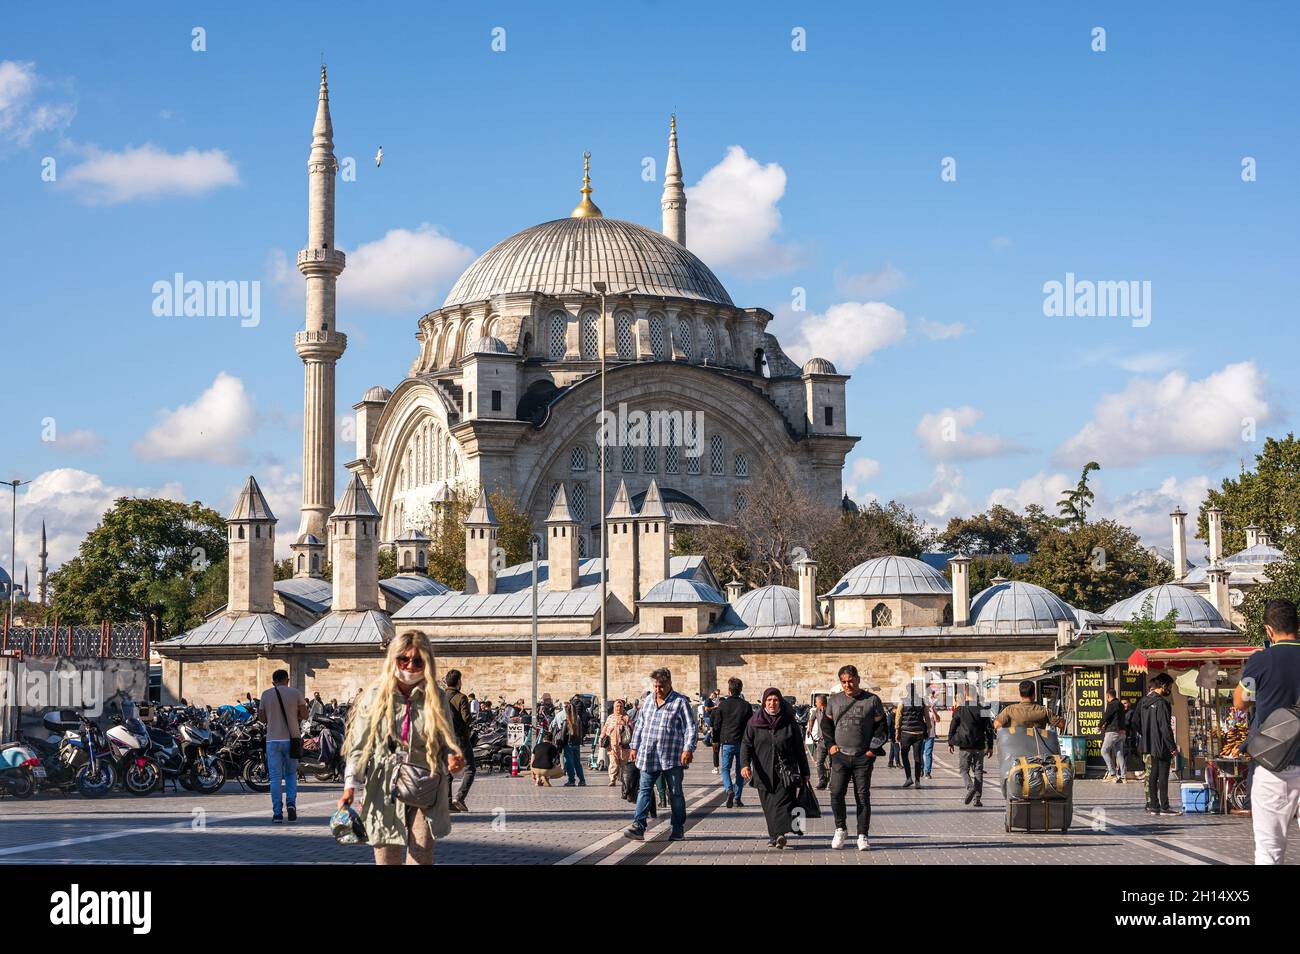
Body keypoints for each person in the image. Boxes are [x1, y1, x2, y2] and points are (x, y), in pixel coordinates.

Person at [338, 632, 465, 865]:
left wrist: (453, 760)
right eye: (403, 659)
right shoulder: (376, 695)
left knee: (422, 853)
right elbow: (359, 745)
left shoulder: (435, 696)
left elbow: (447, 741)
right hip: (383, 785)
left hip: (425, 782)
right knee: (386, 857)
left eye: (418, 661)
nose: (410, 665)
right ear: (393, 659)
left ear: (427, 662)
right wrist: (350, 786)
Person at [1236, 599, 1300, 864]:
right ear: (1298, 626)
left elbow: (1241, 700)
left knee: (1269, 850)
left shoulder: (1261, 660)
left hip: (1272, 764)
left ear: (1268, 631)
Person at [624, 668, 697, 842]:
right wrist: (634, 747)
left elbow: (690, 727)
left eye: (661, 686)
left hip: (672, 756)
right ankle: (638, 826)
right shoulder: (648, 700)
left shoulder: (680, 702)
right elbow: (640, 725)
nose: (658, 690)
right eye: (656, 686)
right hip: (649, 755)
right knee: (644, 790)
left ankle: (678, 828)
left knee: (675, 793)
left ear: (670, 683)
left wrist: (688, 749)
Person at [825, 664, 887, 851]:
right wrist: (831, 746)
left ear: (858, 679)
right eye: (844, 682)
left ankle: (863, 835)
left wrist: (872, 750)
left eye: (851, 681)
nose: (847, 685)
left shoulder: (872, 700)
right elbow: (826, 726)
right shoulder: (834, 701)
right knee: (836, 793)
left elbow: (882, 728)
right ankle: (840, 828)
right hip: (840, 756)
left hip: (862, 757)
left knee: (862, 796)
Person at [741, 688, 811, 849]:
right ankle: (774, 836)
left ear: (780, 702)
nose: (772, 703)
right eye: (769, 700)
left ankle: (780, 834)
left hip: (786, 771)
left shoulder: (789, 722)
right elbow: (746, 744)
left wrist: (805, 771)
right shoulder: (754, 722)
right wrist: (745, 764)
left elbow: (799, 749)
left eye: (775, 700)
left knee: (783, 802)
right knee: (768, 806)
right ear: (764, 702)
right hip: (763, 772)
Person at [257, 670, 309, 823]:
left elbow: (262, 718)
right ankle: (291, 803)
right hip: (292, 738)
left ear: (274, 681)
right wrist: (295, 716)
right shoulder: (296, 693)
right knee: (291, 774)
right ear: (287, 679)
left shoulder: (266, 694)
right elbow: (305, 715)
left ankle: (277, 813)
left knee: (275, 778)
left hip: (272, 740)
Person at [1137, 672, 1180, 816]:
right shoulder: (1162, 703)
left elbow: (1135, 722)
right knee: (1162, 776)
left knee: (1152, 775)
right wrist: (1172, 747)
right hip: (1161, 744)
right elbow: (1165, 727)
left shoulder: (1143, 702)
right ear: (1163, 685)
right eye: (1169, 687)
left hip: (1149, 744)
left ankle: (1153, 806)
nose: (1169, 690)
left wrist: (1146, 734)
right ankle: (1164, 807)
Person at [947, 692, 994, 806]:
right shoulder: (983, 710)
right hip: (979, 745)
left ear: (966, 695)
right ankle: (977, 799)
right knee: (978, 771)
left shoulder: (960, 709)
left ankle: (970, 787)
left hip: (965, 746)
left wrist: (950, 742)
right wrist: (990, 746)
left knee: (963, 770)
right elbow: (989, 730)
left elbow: (952, 726)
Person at [444, 669, 475, 812]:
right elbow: (466, 719)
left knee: (447, 770)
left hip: (445, 738)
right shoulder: (461, 697)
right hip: (460, 738)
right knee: (470, 769)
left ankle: (448, 802)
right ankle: (460, 797)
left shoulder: (441, 696)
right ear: (458, 682)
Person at [716, 677, 751, 808]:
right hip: (742, 743)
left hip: (727, 742)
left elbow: (717, 724)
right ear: (740, 689)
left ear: (729, 690)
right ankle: (737, 798)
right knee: (740, 771)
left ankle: (729, 790)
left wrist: (716, 740)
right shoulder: (746, 705)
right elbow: (750, 726)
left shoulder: (722, 705)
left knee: (725, 769)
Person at [896, 682, 930, 788]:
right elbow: (927, 717)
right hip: (919, 733)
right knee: (917, 757)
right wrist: (928, 729)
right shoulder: (922, 701)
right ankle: (918, 781)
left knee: (904, 755)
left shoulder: (902, 701)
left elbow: (898, 717)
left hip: (906, 733)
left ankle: (908, 778)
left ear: (907, 691)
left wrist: (897, 731)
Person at [993, 681, 1063, 731]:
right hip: (1038, 749)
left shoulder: (1010, 710)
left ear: (1020, 694)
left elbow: (996, 725)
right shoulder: (1044, 711)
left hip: (1016, 749)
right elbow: (1061, 724)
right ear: (1034, 694)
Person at [600, 699, 633, 786]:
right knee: (613, 762)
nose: (619, 708)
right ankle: (612, 779)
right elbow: (605, 728)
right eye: (617, 706)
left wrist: (624, 724)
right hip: (612, 745)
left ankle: (623, 779)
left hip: (623, 745)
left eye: (620, 706)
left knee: (623, 763)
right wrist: (601, 738)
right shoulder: (610, 717)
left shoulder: (626, 717)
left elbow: (632, 729)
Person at [555, 701, 587, 787]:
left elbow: (562, 735)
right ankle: (582, 780)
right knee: (577, 762)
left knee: (569, 762)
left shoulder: (566, 721)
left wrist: (560, 746)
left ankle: (571, 780)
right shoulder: (578, 720)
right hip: (576, 743)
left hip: (568, 744)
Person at [1099, 688, 1127, 783]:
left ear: (1108, 696)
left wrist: (1099, 725)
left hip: (1113, 731)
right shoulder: (1120, 705)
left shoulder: (1112, 704)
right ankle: (1123, 777)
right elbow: (1116, 718)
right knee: (1119, 753)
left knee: (1104, 751)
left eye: (1106, 697)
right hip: (1122, 732)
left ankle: (1112, 773)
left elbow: (1106, 716)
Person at [806, 694, 831, 789]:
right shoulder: (817, 711)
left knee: (833, 764)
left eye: (816, 702)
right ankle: (822, 781)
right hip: (821, 741)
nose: (815, 703)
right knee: (819, 762)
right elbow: (812, 719)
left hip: (832, 741)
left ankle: (832, 782)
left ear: (821, 702)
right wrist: (810, 729)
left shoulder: (831, 710)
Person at [1123, 698, 1144, 780]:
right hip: (1125, 737)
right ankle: (1124, 772)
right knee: (1125, 754)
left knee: (1132, 753)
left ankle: (1141, 770)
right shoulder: (1122, 713)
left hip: (1130, 737)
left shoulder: (1131, 712)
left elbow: (1128, 723)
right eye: (1123, 703)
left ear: (1129, 704)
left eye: (1125, 703)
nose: (1124, 705)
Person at [922, 693, 940, 779]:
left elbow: (937, 720)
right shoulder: (920, 710)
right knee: (920, 753)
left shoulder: (932, 710)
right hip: (921, 734)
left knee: (928, 753)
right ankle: (921, 769)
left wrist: (933, 710)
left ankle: (927, 772)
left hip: (930, 735)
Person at [886, 703, 900, 768]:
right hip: (893, 735)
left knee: (892, 749)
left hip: (894, 734)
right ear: (894, 709)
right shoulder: (891, 716)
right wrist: (889, 736)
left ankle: (890, 763)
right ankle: (898, 763)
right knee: (897, 749)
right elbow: (888, 726)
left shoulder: (893, 715)